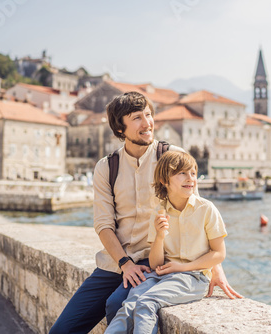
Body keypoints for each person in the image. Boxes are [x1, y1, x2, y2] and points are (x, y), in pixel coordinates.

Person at [50, 92, 241, 334]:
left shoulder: (172, 157)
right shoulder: (107, 167)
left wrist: (215, 269)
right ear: (121, 128)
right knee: (61, 330)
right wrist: (124, 264)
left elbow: (196, 213)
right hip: (115, 261)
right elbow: (103, 224)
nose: (147, 123)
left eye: (149, 115)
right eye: (137, 118)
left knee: (116, 304)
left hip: (153, 260)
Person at [105, 150, 227, 333]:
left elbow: (219, 253)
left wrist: (182, 267)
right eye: (182, 173)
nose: (190, 178)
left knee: (147, 302)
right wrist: (160, 236)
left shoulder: (206, 209)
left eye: (193, 173)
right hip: (162, 274)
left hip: (194, 277)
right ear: (164, 181)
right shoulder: (159, 211)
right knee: (129, 305)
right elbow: (155, 264)